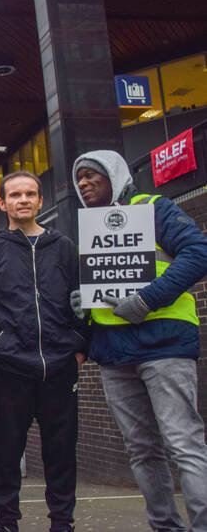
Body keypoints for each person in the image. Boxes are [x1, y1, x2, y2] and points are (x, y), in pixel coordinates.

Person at [73, 150, 207, 532]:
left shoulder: (153, 208)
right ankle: (165, 526)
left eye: (91, 174)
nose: (83, 183)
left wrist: (147, 299)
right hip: (115, 354)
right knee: (141, 450)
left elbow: (198, 253)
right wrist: (82, 302)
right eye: (79, 178)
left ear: (115, 174)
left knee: (183, 443)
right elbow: (103, 286)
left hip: (165, 343)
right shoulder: (91, 229)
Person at [0, 170, 85, 532]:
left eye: (30, 194)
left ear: (41, 201)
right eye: (15, 195)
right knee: (7, 451)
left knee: (61, 452)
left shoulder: (64, 246)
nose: (23, 200)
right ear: (2, 203)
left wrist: (80, 345)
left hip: (59, 366)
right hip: (10, 367)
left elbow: (83, 299)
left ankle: (62, 522)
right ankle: (6, 522)